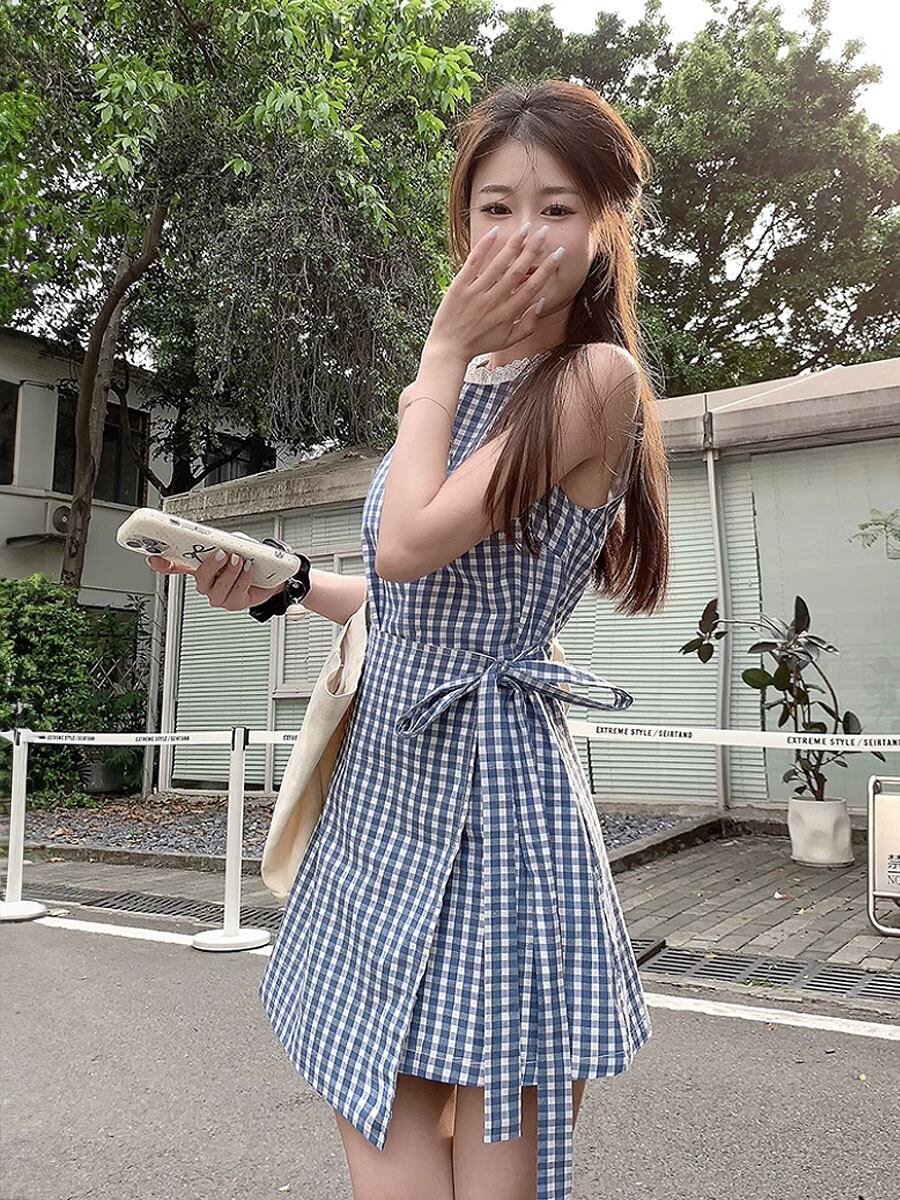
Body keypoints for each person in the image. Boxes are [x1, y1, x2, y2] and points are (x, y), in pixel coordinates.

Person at [150, 79, 670, 1200]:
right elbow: (413, 602)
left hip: (491, 799)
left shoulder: (594, 377)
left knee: (487, 1138)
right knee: (372, 1084)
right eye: (496, 208)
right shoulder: (467, 382)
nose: (522, 236)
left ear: (603, 229)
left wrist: (436, 358)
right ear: (463, 222)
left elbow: (409, 543)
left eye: (557, 208)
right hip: (389, 785)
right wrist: (285, 585)